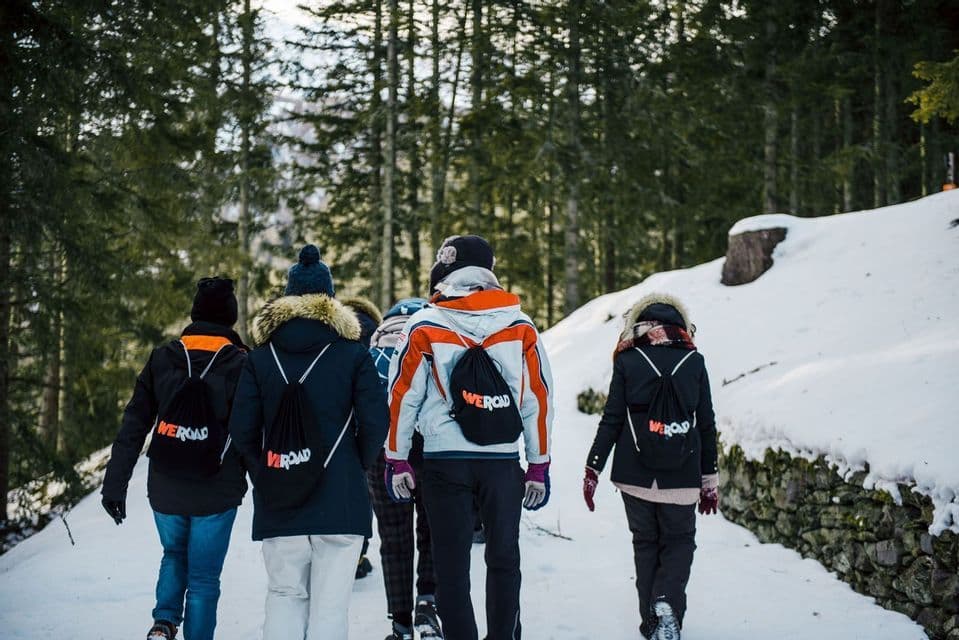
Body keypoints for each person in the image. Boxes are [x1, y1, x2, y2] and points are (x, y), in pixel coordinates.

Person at [385, 235, 554, 640]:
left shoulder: (424, 324)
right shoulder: (520, 325)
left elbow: (402, 396)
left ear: (444, 276)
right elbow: (537, 398)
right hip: (501, 462)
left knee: (451, 565)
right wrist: (538, 464)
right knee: (504, 559)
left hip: (445, 461)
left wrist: (398, 458)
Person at [228, 245, 388, 640]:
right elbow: (376, 420)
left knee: (284, 595)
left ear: (288, 299)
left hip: (280, 498)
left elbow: (242, 428)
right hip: (342, 501)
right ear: (329, 300)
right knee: (330, 609)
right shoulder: (353, 354)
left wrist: (264, 473)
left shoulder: (260, 358)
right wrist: (356, 463)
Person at [101, 277, 249, 640]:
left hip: (165, 484)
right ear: (230, 318)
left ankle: (163, 622)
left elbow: (134, 425)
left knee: (173, 553)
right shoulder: (243, 363)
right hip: (217, 488)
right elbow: (250, 433)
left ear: (195, 315)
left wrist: (114, 484)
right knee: (202, 577)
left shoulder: (163, 357)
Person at [582, 293, 719, 640]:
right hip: (683, 473)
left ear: (640, 324)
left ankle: (651, 624)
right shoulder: (694, 361)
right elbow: (706, 424)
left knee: (645, 544)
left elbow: (612, 419)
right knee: (679, 541)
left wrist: (593, 468)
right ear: (680, 325)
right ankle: (667, 604)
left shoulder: (628, 360)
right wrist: (709, 480)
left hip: (634, 473)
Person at [366, 297, 443, 640]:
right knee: (432, 530)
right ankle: (428, 603)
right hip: (429, 446)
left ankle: (400, 623)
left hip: (382, 449)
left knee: (394, 538)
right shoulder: (434, 333)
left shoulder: (374, 348)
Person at [342, 295, 384, 581]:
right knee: (365, 494)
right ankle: (359, 555)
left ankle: (342, 553)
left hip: (338, 423)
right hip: (367, 425)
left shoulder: (336, 329)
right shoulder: (375, 334)